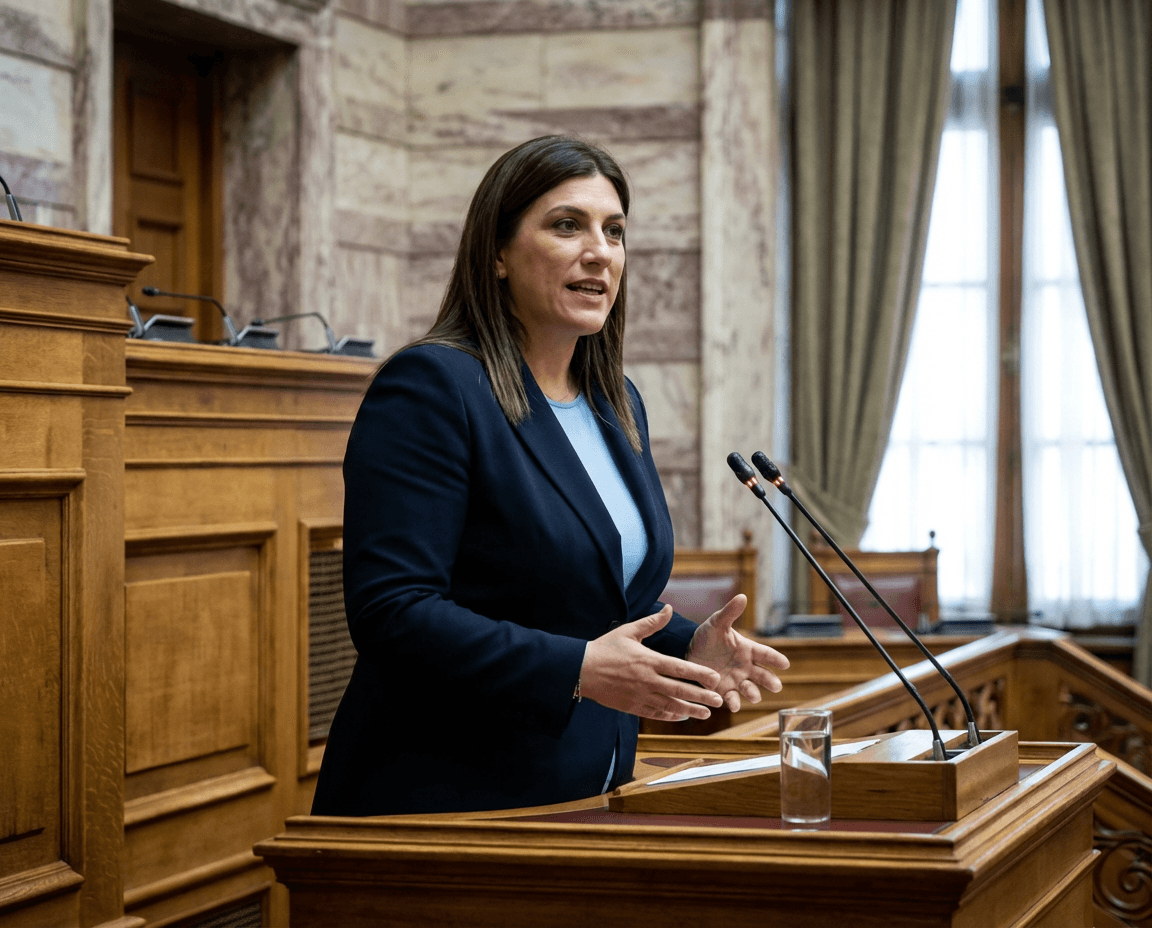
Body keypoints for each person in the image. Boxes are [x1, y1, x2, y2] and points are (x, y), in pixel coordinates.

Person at [311, 135, 789, 817]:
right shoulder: (433, 387)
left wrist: (689, 643)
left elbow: (595, 601)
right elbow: (393, 612)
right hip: (448, 802)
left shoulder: (616, 402)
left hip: (589, 792)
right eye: (568, 225)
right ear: (498, 254)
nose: (600, 250)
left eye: (615, 231)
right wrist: (576, 671)